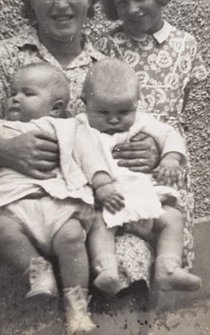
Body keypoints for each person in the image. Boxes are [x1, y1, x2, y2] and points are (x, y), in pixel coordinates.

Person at [0, 0, 159, 299]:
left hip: (98, 228)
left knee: (128, 265)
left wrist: (146, 149)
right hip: (19, 226)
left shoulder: (108, 69)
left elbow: (135, 136)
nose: (61, 4)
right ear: (30, 0)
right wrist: (0, 153)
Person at [94, 0, 208, 272]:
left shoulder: (186, 44)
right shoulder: (106, 45)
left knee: (166, 240)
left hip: (168, 163)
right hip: (122, 157)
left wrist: (167, 148)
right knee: (123, 245)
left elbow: (179, 109)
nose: (132, 9)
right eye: (122, 1)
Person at [78, 59, 201, 298]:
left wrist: (171, 158)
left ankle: (168, 267)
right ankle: (106, 268)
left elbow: (169, 134)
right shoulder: (79, 126)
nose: (114, 120)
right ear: (85, 102)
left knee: (173, 218)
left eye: (124, 111)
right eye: (103, 112)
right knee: (98, 224)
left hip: (142, 196)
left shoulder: (142, 122)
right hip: (105, 199)